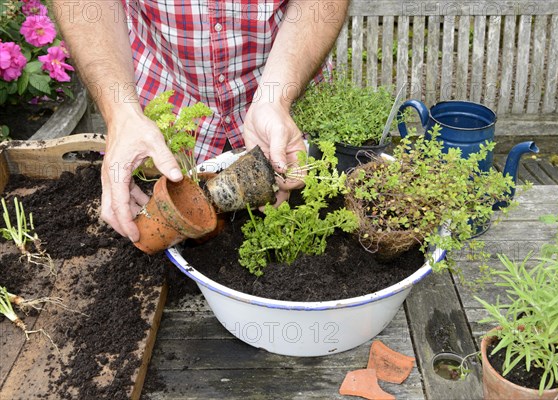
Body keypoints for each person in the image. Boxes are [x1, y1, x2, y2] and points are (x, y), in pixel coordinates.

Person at [51, 0, 349, 242]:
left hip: (285, 102)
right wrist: (121, 114)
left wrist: (275, 96)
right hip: (159, 119)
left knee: (308, 207)